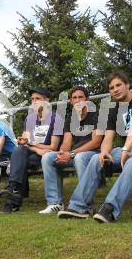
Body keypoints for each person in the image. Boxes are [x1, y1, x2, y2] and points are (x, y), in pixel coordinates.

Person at [58, 72, 132, 223]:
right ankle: (78, 207)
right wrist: (105, 152)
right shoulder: (113, 110)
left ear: (127, 85)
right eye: (112, 87)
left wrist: (126, 149)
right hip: (127, 149)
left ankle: (109, 209)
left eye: (119, 85)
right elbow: (108, 137)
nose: (116, 89)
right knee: (96, 157)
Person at [39, 86, 103, 214]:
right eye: (75, 98)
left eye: (81, 97)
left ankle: (85, 204)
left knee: (80, 158)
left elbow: (96, 142)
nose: (78, 100)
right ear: (70, 101)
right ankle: (55, 203)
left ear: (87, 99)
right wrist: (62, 152)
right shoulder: (70, 118)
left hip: (94, 153)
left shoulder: (97, 115)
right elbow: (67, 142)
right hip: (74, 154)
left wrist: (72, 153)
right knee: (47, 157)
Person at [0, 87, 64, 213]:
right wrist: (35, 149)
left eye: (38, 99)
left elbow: (53, 147)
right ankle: (13, 191)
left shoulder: (56, 119)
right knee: (19, 151)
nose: (34, 101)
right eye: (32, 99)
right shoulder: (30, 119)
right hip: (33, 155)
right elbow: (24, 142)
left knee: (19, 158)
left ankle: (12, 199)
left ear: (47, 101)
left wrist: (32, 146)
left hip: (47, 156)